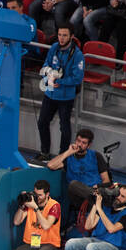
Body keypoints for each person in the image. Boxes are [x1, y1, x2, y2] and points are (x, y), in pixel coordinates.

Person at [37, 26, 84, 159]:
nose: (61, 38)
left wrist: (60, 80)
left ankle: (62, 157)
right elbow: (46, 64)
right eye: (59, 35)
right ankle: (44, 152)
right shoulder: (54, 48)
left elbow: (77, 78)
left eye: (64, 35)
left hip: (66, 97)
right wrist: (47, 75)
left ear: (71, 36)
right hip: (50, 93)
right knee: (42, 122)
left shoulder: (77, 54)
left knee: (64, 127)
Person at [47, 127, 111, 213]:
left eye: (83, 143)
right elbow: (51, 165)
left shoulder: (96, 155)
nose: (79, 144)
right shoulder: (68, 158)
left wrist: (98, 188)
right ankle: (98, 201)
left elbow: (106, 179)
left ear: (89, 145)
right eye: (78, 141)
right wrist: (68, 152)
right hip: (78, 196)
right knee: (73, 184)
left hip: (95, 190)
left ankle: (96, 201)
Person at [5, 180, 62, 250]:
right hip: (33, 243)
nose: (37, 197)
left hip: (50, 243)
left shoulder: (54, 205)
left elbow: (46, 226)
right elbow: (16, 222)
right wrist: (22, 205)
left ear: (47, 194)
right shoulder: (31, 203)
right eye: (35, 194)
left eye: (40, 195)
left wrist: (35, 208)